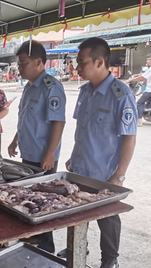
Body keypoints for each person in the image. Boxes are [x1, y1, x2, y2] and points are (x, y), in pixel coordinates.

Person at [65, 37, 136, 268]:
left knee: (107, 217)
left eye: (81, 62)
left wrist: (119, 175)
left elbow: (129, 137)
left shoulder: (121, 94)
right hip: (80, 167)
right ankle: (79, 248)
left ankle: (110, 260)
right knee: (76, 210)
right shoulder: (85, 91)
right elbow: (83, 129)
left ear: (99, 62)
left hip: (104, 172)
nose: (77, 68)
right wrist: (73, 157)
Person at [7, 40, 67, 253]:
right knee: (29, 198)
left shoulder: (51, 87)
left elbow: (58, 122)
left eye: (23, 63)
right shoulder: (29, 87)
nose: (19, 68)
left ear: (39, 62)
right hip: (28, 153)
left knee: (44, 202)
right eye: (19, 64)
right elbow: (26, 119)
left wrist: (51, 153)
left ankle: (46, 246)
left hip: (43, 156)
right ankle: (34, 239)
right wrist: (15, 140)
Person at [125, 53, 151, 126]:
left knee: (139, 103)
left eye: (150, 60)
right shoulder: (149, 69)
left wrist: (129, 80)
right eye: (148, 60)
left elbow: (142, 77)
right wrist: (137, 75)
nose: (148, 61)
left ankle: (139, 121)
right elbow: (144, 74)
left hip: (149, 91)